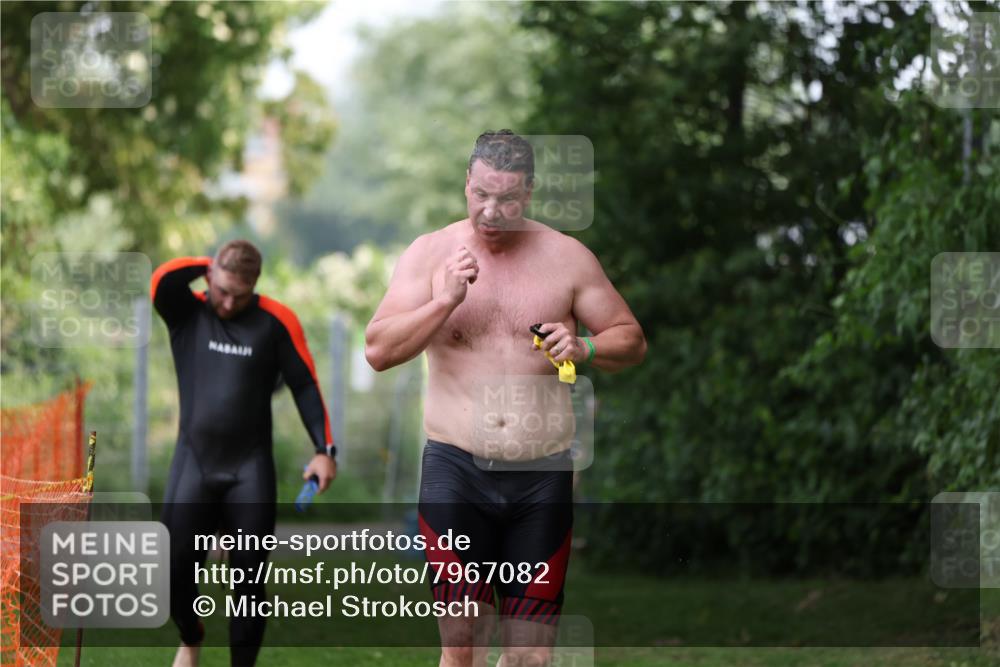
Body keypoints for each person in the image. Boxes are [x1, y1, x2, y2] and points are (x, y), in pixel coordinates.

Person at [365, 130, 645, 666]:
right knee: (462, 645)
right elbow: (378, 350)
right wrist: (443, 302)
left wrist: (584, 345)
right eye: (481, 195)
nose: (491, 211)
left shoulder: (566, 258)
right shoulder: (430, 254)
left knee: (529, 657)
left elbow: (630, 340)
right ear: (466, 184)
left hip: (540, 479)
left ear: (530, 193)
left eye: (508, 199)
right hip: (456, 471)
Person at [151, 240, 337, 667]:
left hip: (248, 469)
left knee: (248, 584)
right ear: (210, 278)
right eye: (222, 290)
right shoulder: (187, 312)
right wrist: (209, 264)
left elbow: (305, 384)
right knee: (172, 570)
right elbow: (162, 277)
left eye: (241, 293)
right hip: (193, 463)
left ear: (256, 286)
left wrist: (324, 450)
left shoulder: (275, 321)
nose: (229, 303)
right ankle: (191, 634)